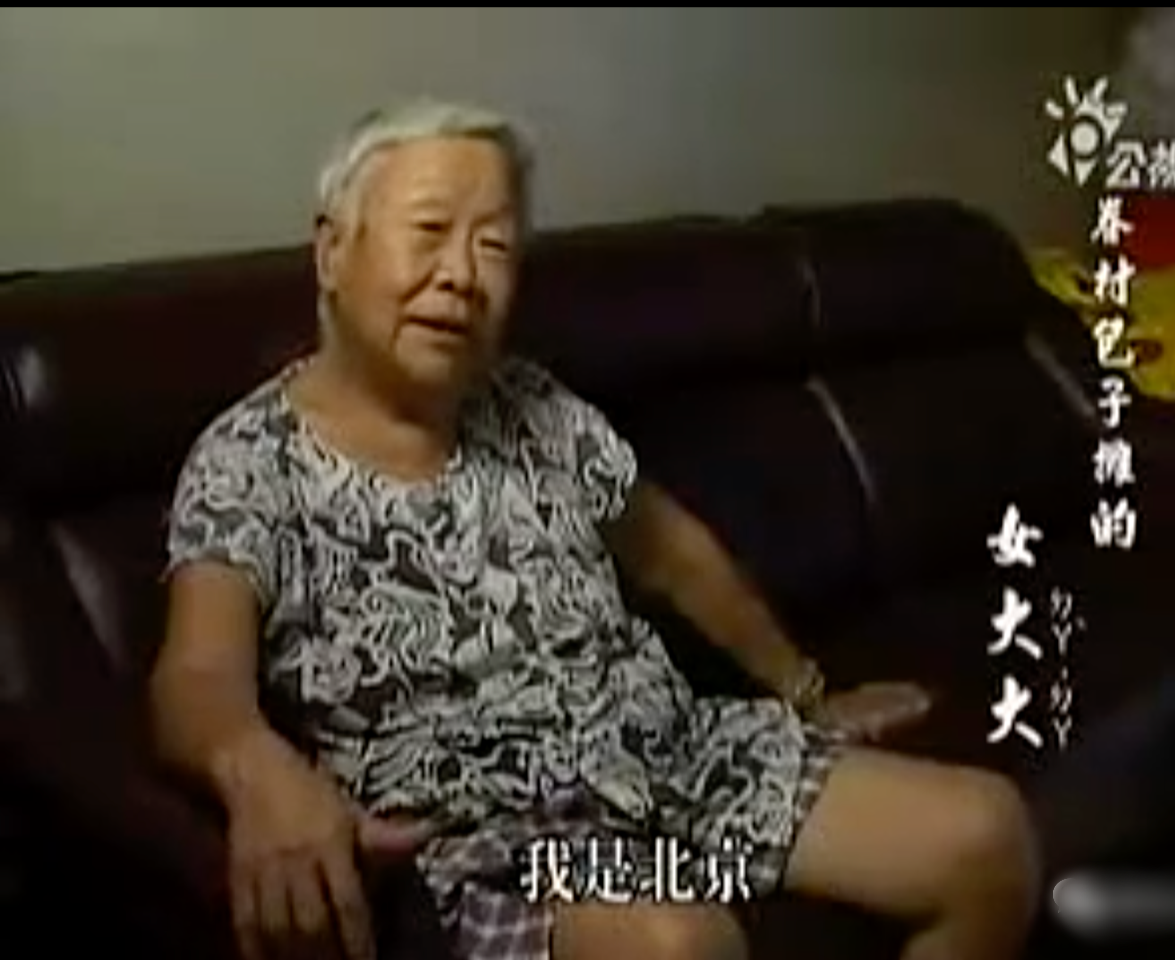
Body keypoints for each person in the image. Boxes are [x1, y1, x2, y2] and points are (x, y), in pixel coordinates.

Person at [149, 95, 1040, 960]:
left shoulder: (535, 405)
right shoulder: (249, 457)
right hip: (488, 828)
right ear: (333, 252)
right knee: (674, 946)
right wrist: (256, 770)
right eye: (428, 231)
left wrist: (806, 693)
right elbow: (197, 675)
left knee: (986, 841)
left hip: (669, 756)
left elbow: (673, 555)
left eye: (494, 246)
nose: (461, 274)